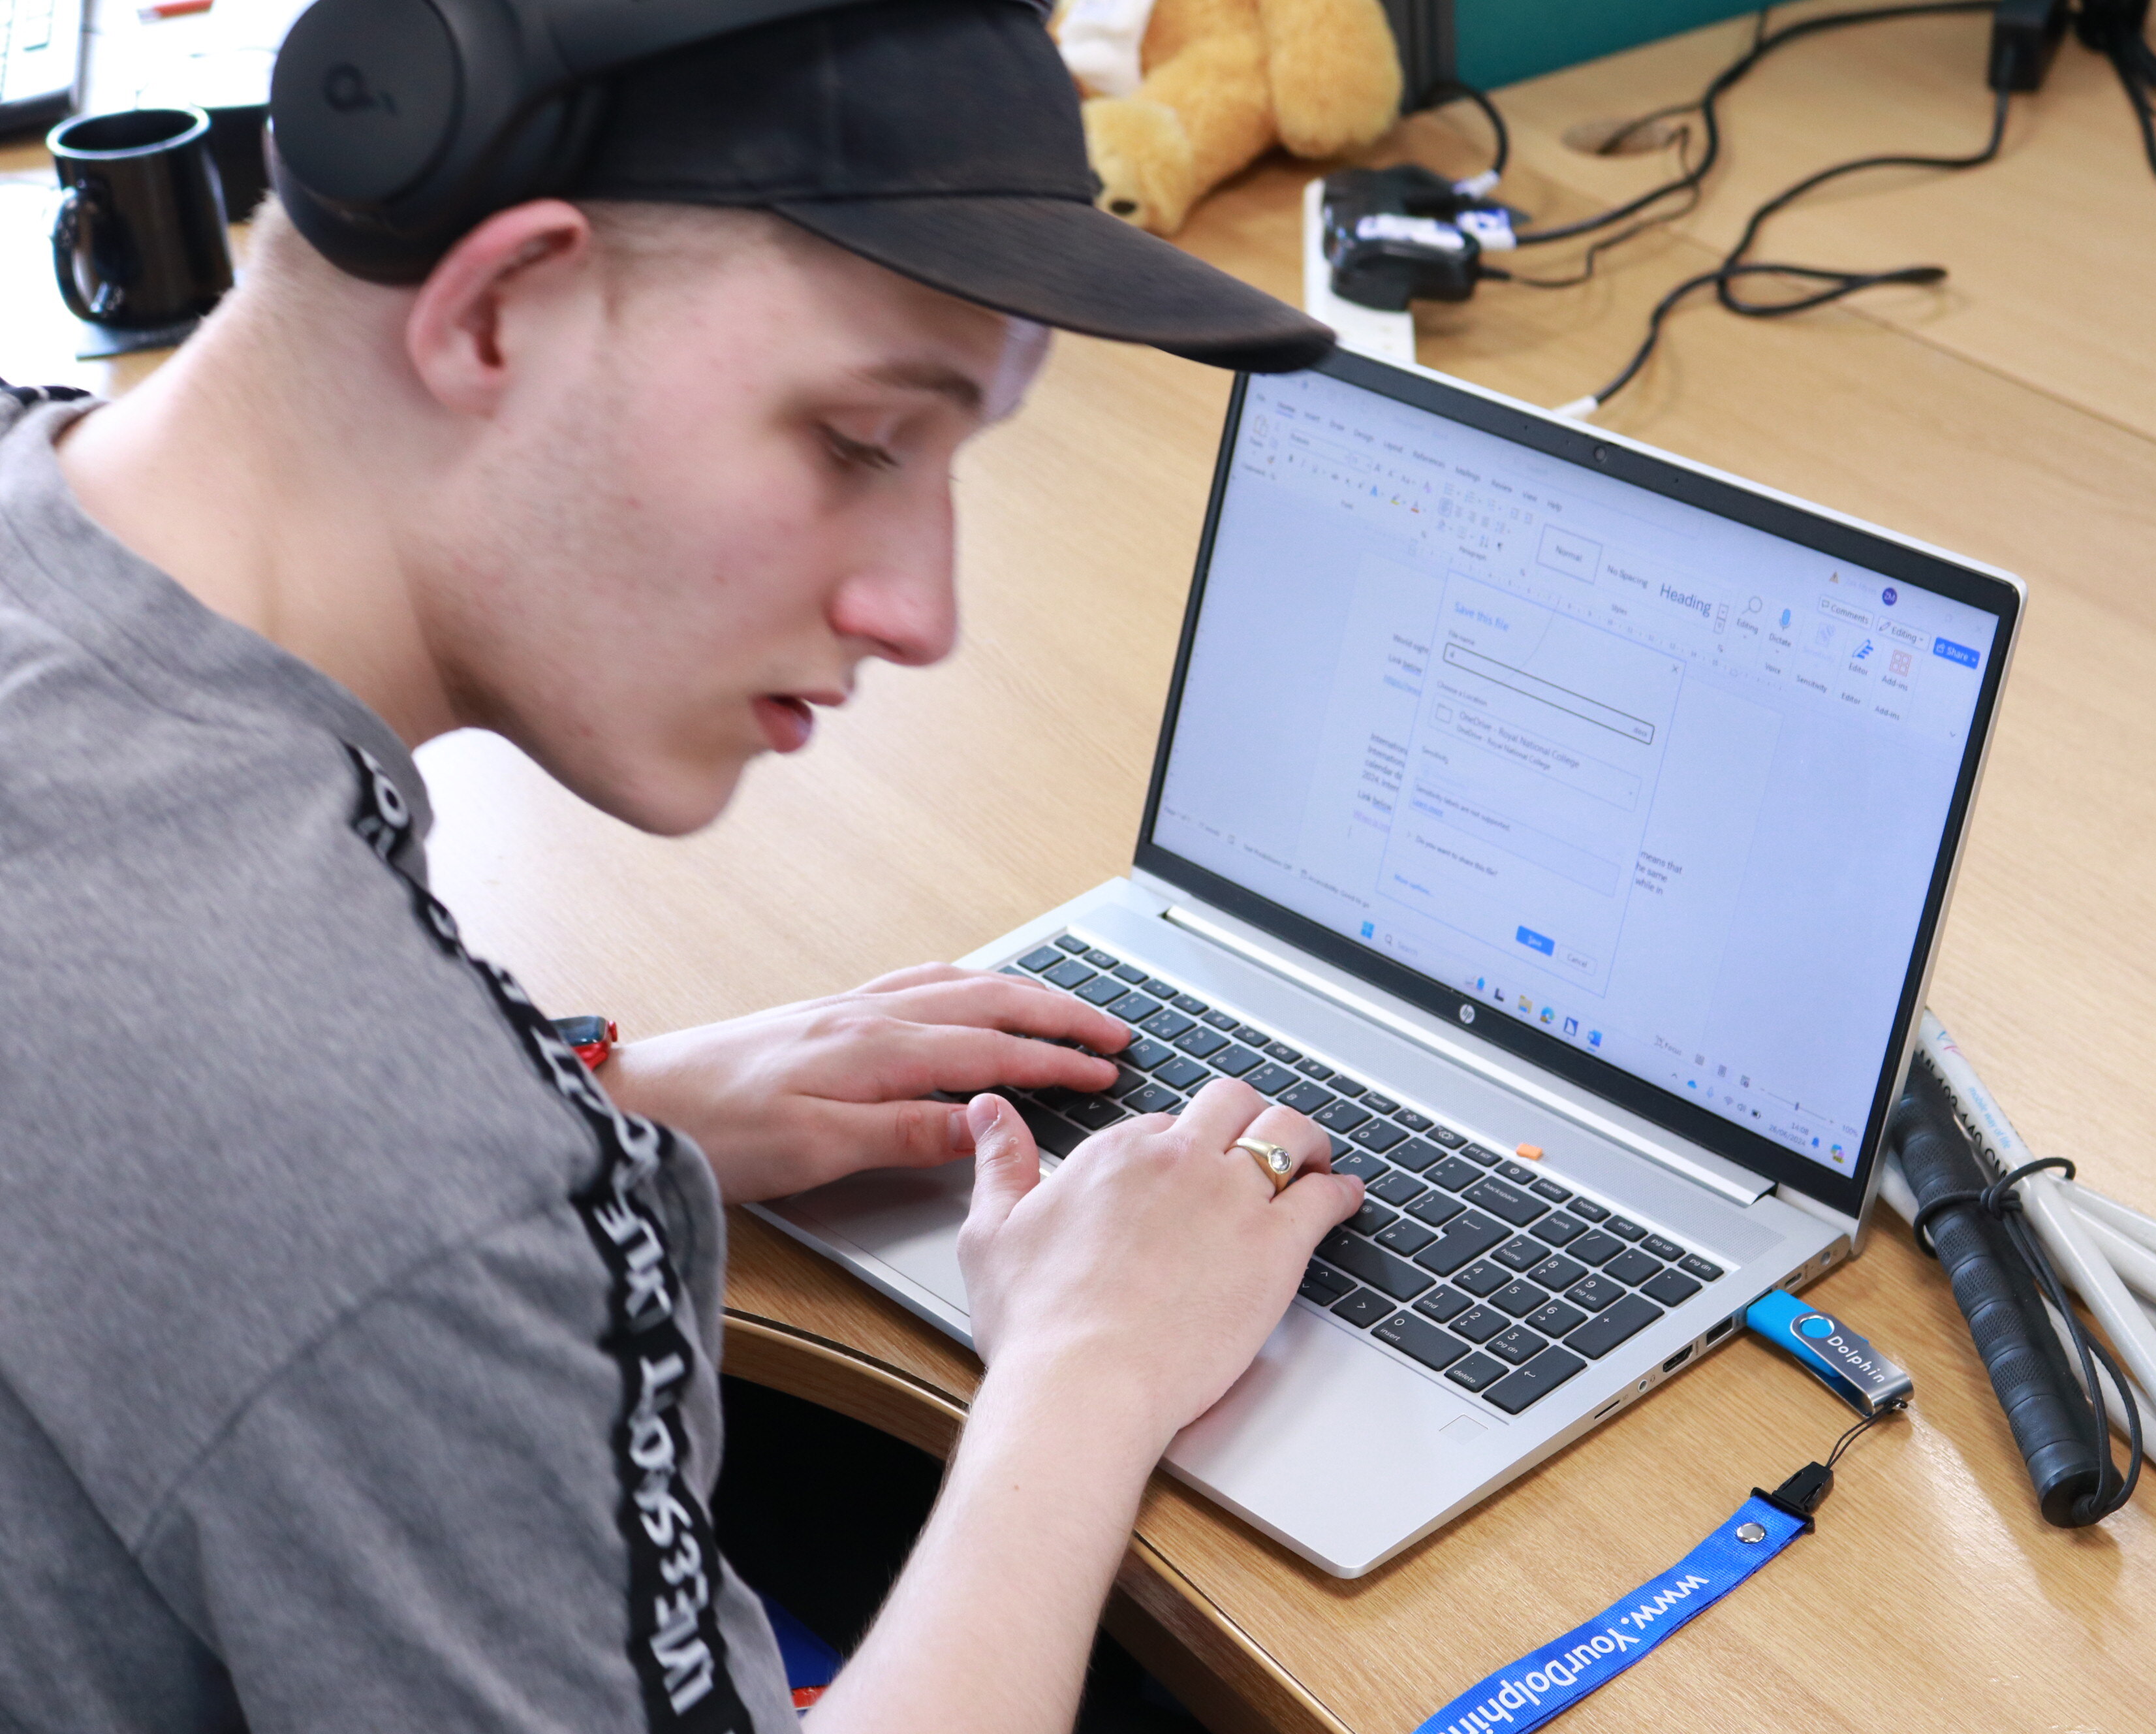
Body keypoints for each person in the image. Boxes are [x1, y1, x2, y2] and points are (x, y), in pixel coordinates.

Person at [0, 3, 1366, 1730]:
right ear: (500, 309)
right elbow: (324, 1162)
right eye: (859, 440)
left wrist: (618, 1102)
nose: (924, 613)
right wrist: (1094, 1366)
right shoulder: (395, 1168)